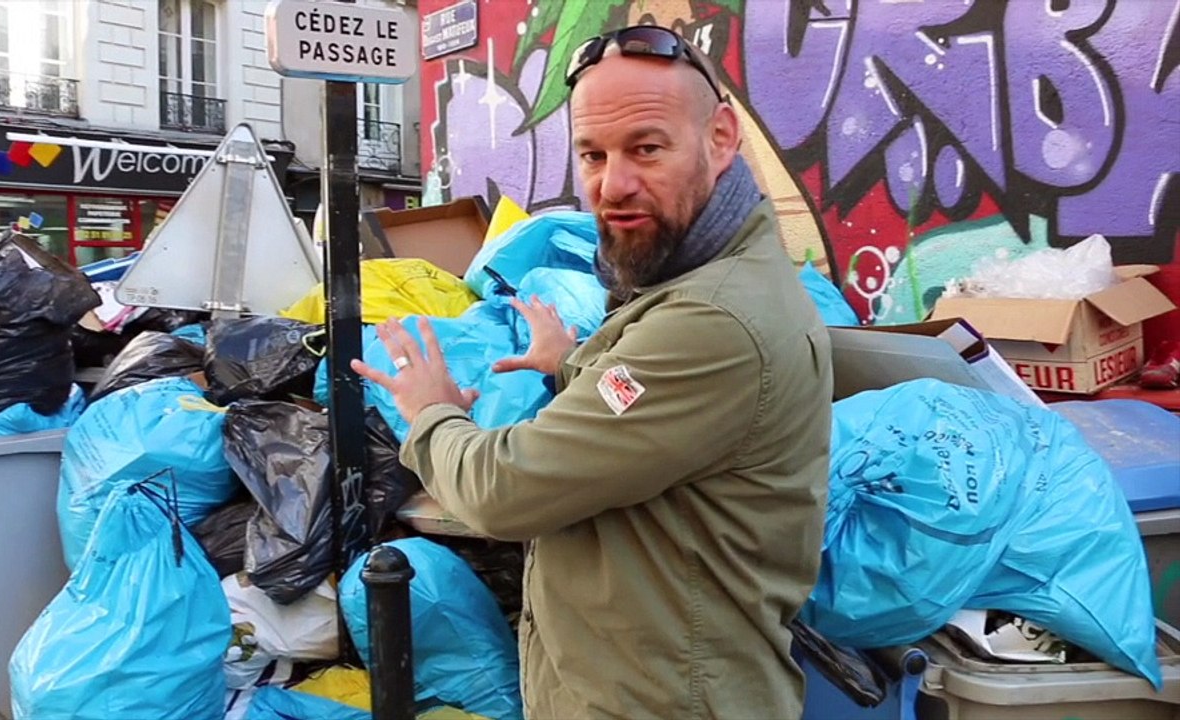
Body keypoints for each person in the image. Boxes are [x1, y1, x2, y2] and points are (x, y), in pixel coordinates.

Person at [352, 24, 833, 720]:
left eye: (646, 148)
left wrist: (431, 415)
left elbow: (506, 490)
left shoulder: (713, 321)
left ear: (722, 137)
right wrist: (572, 363)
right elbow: (650, 414)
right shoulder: (702, 286)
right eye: (593, 154)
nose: (614, 184)